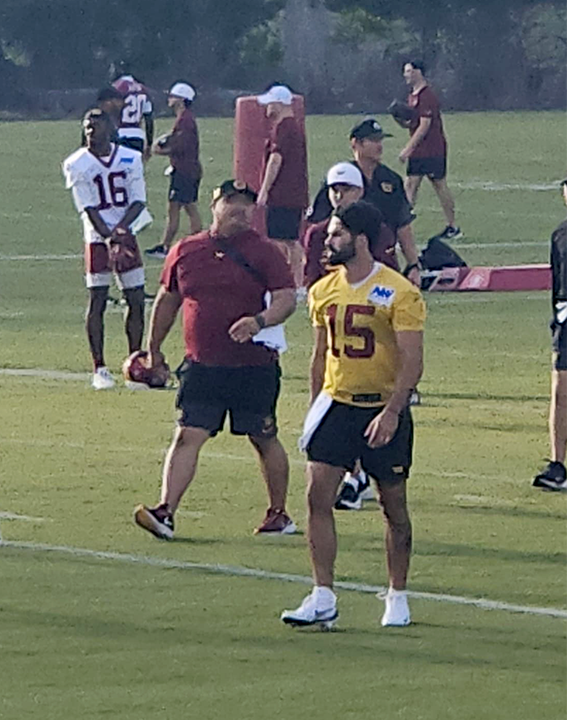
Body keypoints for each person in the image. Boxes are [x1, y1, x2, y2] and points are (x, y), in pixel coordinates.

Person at [283, 201, 425, 630]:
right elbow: (319, 354)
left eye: (338, 233)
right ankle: (323, 594)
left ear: (361, 239)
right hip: (337, 404)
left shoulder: (399, 291)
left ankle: (397, 592)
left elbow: (412, 360)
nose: (329, 240)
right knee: (315, 498)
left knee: (393, 507)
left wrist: (393, 412)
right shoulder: (324, 289)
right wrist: (314, 407)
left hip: (382, 407)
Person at [133, 180, 299, 540]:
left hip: (253, 366)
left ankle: (278, 513)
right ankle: (166, 512)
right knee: (187, 434)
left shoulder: (265, 252)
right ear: (215, 206)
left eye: (246, 205)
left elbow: (286, 299)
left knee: (263, 436)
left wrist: (258, 321)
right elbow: (167, 300)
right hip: (203, 364)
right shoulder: (187, 250)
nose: (240, 210)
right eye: (232, 203)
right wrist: (153, 348)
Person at [62, 109, 148, 390]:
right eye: (87, 127)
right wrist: (110, 237)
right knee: (97, 298)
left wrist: (121, 231)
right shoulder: (76, 163)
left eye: (96, 127)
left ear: (110, 129)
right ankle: (99, 367)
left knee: (135, 298)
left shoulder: (129, 158)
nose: (90, 132)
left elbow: (138, 202)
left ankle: (135, 362)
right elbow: (88, 209)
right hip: (97, 238)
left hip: (125, 234)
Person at [307, 118, 421, 285]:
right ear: (356, 144)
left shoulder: (391, 179)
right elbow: (318, 226)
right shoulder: (340, 178)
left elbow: (403, 225)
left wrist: (413, 265)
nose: (379, 146)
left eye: (380, 140)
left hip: (382, 255)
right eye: (373, 141)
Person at [397, 60, 460, 239]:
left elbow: (424, 126)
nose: (406, 75)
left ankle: (453, 226)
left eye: (408, 71)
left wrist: (407, 149)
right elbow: (412, 123)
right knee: (410, 185)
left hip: (432, 149)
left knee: (439, 185)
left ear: (418, 72)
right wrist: (401, 120)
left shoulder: (427, 96)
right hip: (419, 150)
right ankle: (402, 226)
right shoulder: (412, 96)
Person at [531, 178, 567, 492]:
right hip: (566, 322)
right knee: (560, 390)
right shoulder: (559, 234)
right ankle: (557, 464)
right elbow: (558, 285)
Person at [256, 84, 308, 289]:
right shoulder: (292, 127)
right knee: (288, 239)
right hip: (293, 193)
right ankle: (296, 280)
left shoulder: (283, 128)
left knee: (282, 240)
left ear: (279, 103)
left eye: (269, 103)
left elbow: (276, 159)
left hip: (284, 194)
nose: (267, 107)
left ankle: (292, 281)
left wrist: (264, 190)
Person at [146, 82, 202, 257]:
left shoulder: (185, 120)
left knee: (188, 207)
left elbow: (181, 145)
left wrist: (159, 149)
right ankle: (165, 245)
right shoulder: (184, 118)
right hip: (185, 170)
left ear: (182, 100)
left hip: (185, 170)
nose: (169, 99)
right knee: (176, 207)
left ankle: (197, 243)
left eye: (173, 96)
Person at [110, 64, 155, 157]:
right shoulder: (142, 89)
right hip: (137, 136)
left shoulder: (115, 88)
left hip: (120, 134)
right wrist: (149, 143)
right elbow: (149, 119)